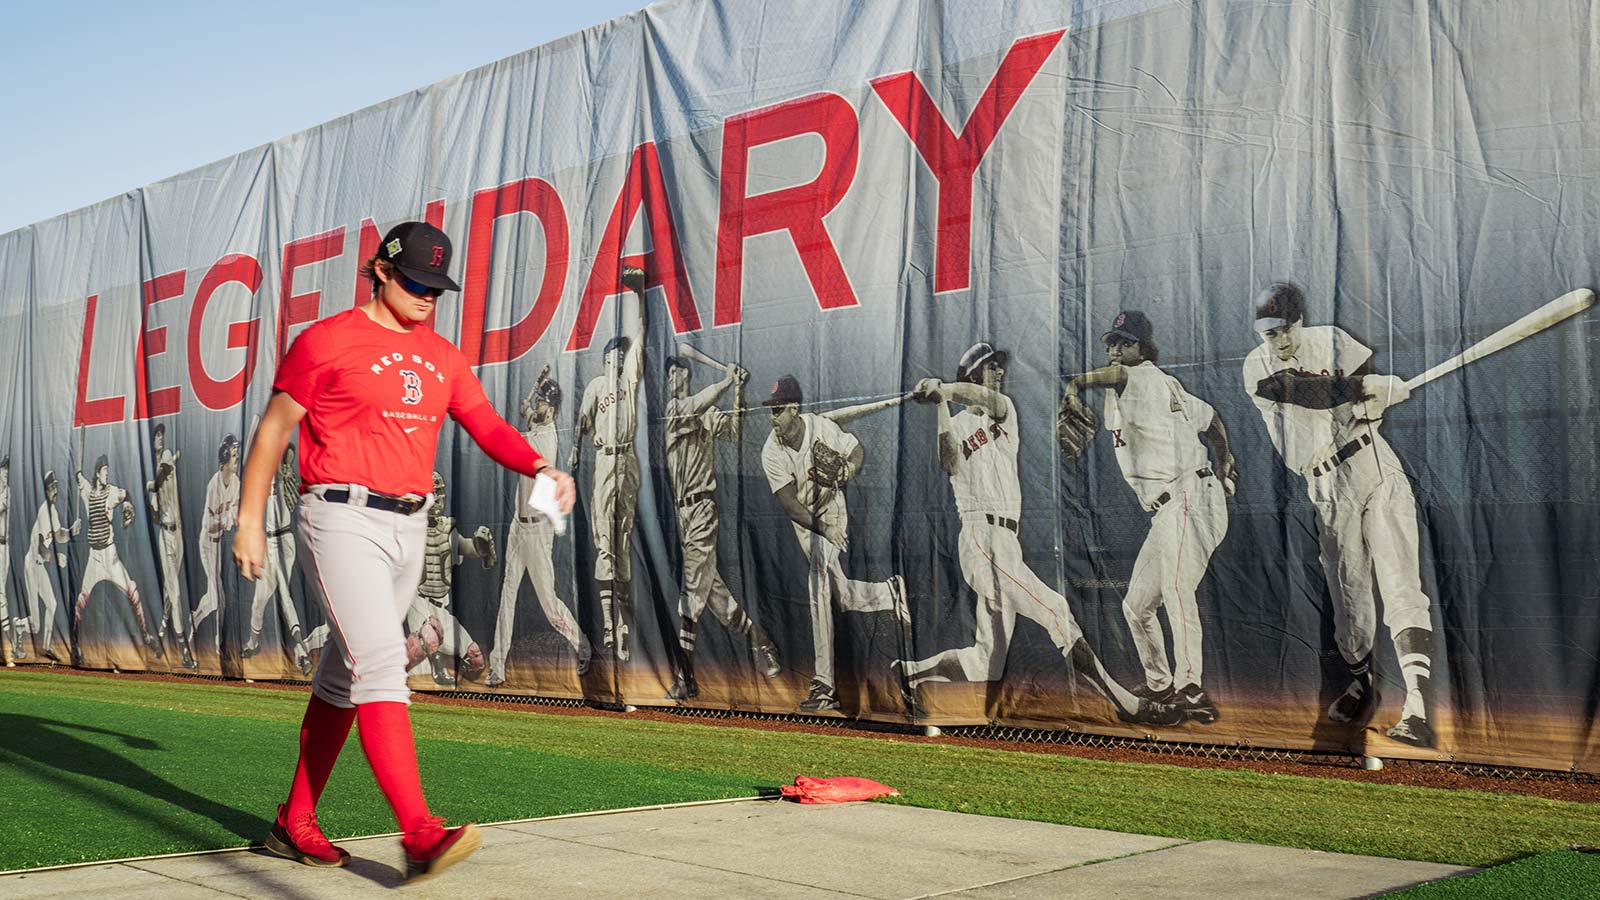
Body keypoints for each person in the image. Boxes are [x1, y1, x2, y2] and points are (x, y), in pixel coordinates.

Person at [234, 221, 575, 881]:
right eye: (415, 281)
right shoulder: (326, 340)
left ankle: (293, 822)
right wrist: (250, 518)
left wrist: (539, 465)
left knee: (342, 676)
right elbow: (275, 428)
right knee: (384, 665)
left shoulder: (442, 356)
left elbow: (485, 424)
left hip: (410, 525)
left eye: (437, 286)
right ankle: (419, 835)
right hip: (339, 517)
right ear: (381, 271)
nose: (427, 295)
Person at [899, 343, 1184, 728]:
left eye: (999, 367)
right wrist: (939, 405)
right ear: (972, 374)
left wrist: (944, 389)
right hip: (980, 538)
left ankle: (908, 672)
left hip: (1005, 543)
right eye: (990, 368)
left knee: (987, 663)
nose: (999, 373)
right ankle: (1126, 704)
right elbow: (949, 463)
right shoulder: (959, 422)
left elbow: (985, 398)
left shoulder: (1003, 411)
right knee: (1057, 612)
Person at [1243, 281, 1437, 748]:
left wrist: (1375, 399)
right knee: (1350, 604)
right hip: (1326, 486)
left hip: (1372, 462)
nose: (1280, 340)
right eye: (1270, 332)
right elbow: (1300, 390)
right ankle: (1362, 683)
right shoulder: (1258, 366)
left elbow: (1361, 392)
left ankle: (1417, 705)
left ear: (1300, 321)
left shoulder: (1331, 338)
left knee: (1399, 580)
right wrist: (1365, 387)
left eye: (1286, 329)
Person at [1062, 315, 1235, 723]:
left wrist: (1074, 385)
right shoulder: (1167, 388)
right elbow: (1212, 421)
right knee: (1136, 606)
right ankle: (1161, 685)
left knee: (1176, 590)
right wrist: (1226, 459)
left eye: (1124, 343)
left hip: (1189, 497)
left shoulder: (1140, 376)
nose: (1114, 350)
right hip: (1173, 507)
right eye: (1111, 343)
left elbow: (1115, 375)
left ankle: (1191, 690)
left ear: (1142, 350)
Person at [760, 375, 912, 713]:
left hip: (832, 508)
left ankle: (824, 683)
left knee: (818, 587)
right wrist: (824, 529)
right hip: (808, 522)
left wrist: (848, 471)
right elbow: (789, 505)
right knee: (840, 595)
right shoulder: (771, 450)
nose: (773, 417)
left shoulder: (820, 427)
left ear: (795, 408)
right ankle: (891, 593)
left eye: (779, 409)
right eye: (770, 411)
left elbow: (855, 450)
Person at [662, 350, 781, 701]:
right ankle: (762, 641)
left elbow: (732, 430)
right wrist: (728, 379)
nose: (671, 378)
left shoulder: (703, 409)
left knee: (690, 595)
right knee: (716, 598)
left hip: (701, 508)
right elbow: (697, 406)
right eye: (668, 374)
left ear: (686, 375)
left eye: (676, 373)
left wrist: (739, 391)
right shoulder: (674, 410)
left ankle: (686, 678)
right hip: (682, 514)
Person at [487, 368, 588, 687]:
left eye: (544, 402)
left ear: (553, 409)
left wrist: (529, 396)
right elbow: (524, 409)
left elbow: (512, 437)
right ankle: (497, 666)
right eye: (540, 401)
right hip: (519, 525)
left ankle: (581, 646)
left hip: (538, 531)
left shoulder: (545, 437)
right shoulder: (537, 422)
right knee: (507, 594)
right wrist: (534, 387)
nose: (538, 406)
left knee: (548, 602)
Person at [571, 267, 646, 662]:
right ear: (603, 360)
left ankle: (623, 622)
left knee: (622, 540)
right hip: (603, 461)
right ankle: (607, 623)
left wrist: (640, 297)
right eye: (612, 354)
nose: (618, 358)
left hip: (626, 459)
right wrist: (573, 455)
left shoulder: (628, 381)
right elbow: (581, 427)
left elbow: (642, 335)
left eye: (621, 353)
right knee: (604, 543)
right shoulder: (597, 387)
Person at [72, 434, 161, 664]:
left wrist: (129, 505)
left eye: (108, 471)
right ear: (98, 471)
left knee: (133, 592)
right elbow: (78, 477)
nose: (106, 474)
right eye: (104, 471)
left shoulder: (112, 492)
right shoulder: (89, 492)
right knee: (81, 601)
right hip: (94, 557)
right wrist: (78, 472)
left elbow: (126, 494)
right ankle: (74, 644)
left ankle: (146, 636)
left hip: (110, 556)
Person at [146, 425, 196, 668]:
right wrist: (152, 500)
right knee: (174, 591)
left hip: (179, 534)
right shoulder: (152, 465)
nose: (160, 438)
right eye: (157, 435)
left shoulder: (165, 457)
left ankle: (161, 633)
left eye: (162, 435)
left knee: (170, 588)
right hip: (165, 534)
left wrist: (152, 486)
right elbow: (155, 515)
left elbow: (162, 475)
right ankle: (183, 647)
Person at [191, 434, 240, 658]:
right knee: (219, 595)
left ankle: (194, 619)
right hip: (208, 543)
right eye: (232, 453)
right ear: (224, 457)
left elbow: (235, 515)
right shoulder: (214, 484)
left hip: (219, 544)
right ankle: (219, 645)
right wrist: (227, 520)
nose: (236, 455)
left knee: (214, 597)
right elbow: (211, 527)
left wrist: (235, 517)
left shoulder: (237, 482)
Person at [24, 470, 79, 662]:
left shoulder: (53, 511)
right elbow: (40, 548)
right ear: (46, 492)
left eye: (55, 486)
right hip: (32, 565)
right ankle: (16, 627)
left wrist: (71, 531)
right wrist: (57, 559)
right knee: (35, 625)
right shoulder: (43, 512)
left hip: (40, 566)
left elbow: (59, 535)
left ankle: (46, 647)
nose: (54, 491)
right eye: (51, 488)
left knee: (53, 604)